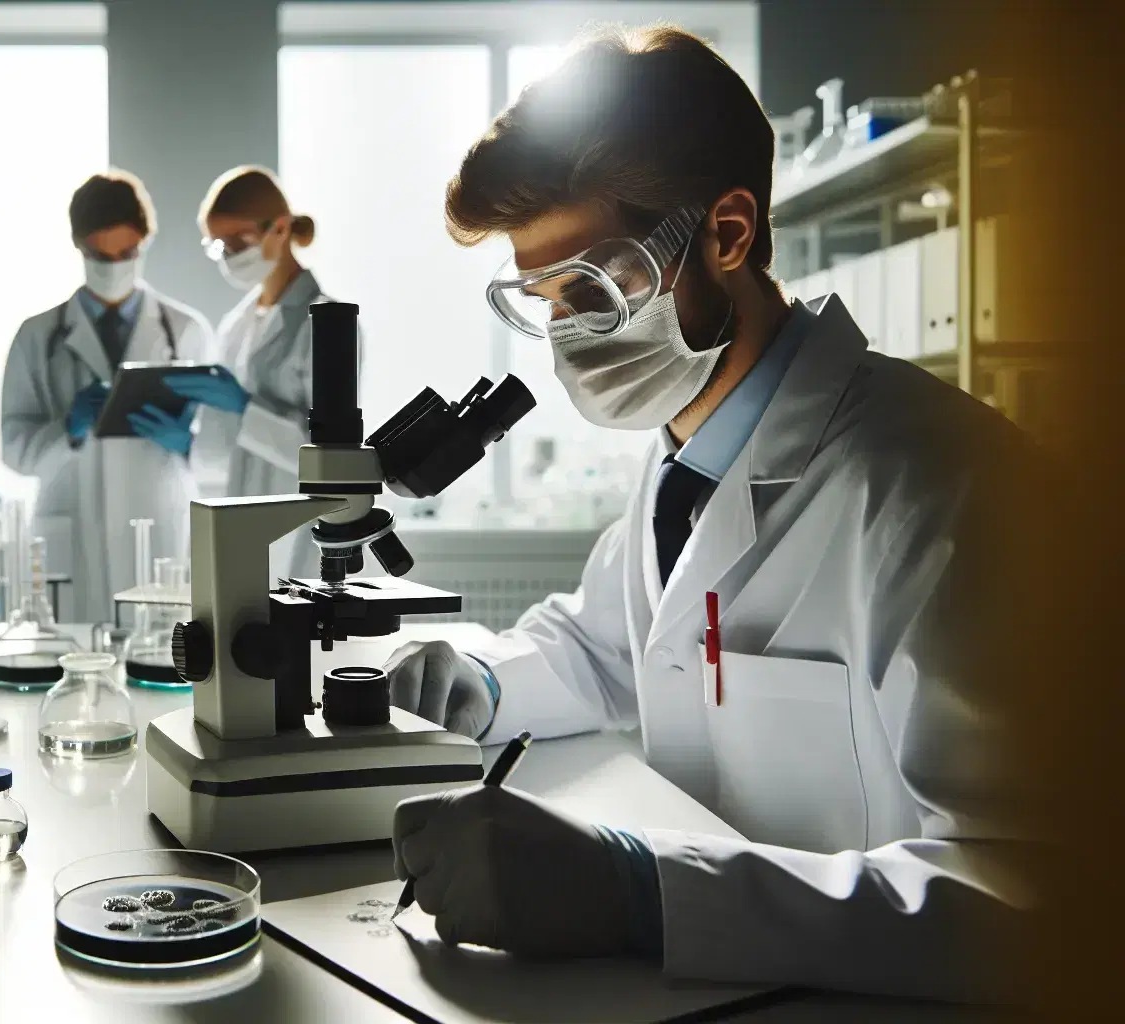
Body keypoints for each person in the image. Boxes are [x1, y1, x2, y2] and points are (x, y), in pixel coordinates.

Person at [383, 27, 1037, 1002]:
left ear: (726, 233)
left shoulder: (944, 488)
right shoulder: (685, 454)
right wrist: (474, 682)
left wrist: (640, 894)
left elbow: (1036, 895)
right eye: (543, 298)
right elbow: (607, 647)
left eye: (592, 288)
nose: (567, 336)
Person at [0, 171, 213, 622]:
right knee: (74, 665)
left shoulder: (186, 331)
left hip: (159, 530)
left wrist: (188, 442)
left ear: (145, 241)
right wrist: (67, 432)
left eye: (127, 252)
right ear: (78, 244)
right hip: (72, 532)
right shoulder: (37, 336)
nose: (114, 265)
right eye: (101, 254)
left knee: (161, 665)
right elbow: (14, 450)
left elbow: (222, 448)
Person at [179, 166, 349, 579]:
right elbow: (224, 449)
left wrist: (245, 408)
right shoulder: (237, 325)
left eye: (240, 240)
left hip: (300, 528)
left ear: (280, 228)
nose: (231, 254)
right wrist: (187, 441)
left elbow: (330, 458)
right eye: (220, 245)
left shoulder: (328, 324)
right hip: (241, 521)